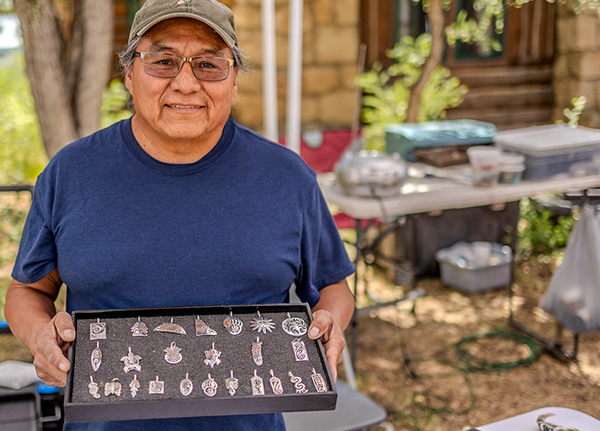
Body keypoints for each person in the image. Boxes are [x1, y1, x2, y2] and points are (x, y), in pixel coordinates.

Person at [4, 0, 355, 430]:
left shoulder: (287, 177)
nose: (186, 83)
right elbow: (27, 291)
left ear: (234, 81)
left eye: (208, 64)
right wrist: (40, 334)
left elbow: (332, 287)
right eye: (163, 61)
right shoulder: (70, 173)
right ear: (129, 75)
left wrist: (331, 323)